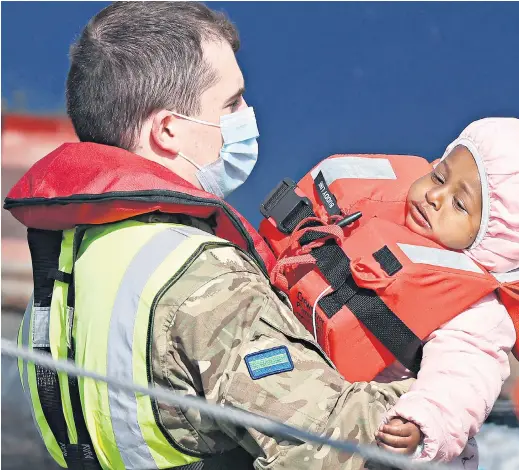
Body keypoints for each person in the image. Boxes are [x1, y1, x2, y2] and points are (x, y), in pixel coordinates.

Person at [5, 2, 415, 469]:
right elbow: (336, 448)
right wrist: (441, 385)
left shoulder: (68, 261)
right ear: (167, 130)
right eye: (232, 103)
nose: (248, 115)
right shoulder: (203, 276)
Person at [260, 118, 519, 465]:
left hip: (399, 447)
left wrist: (423, 423)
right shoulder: (363, 223)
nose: (435, 196)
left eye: (460, 205)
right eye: (439, 176)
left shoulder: (475, 312)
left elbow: (462, 382)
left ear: (496, 235)